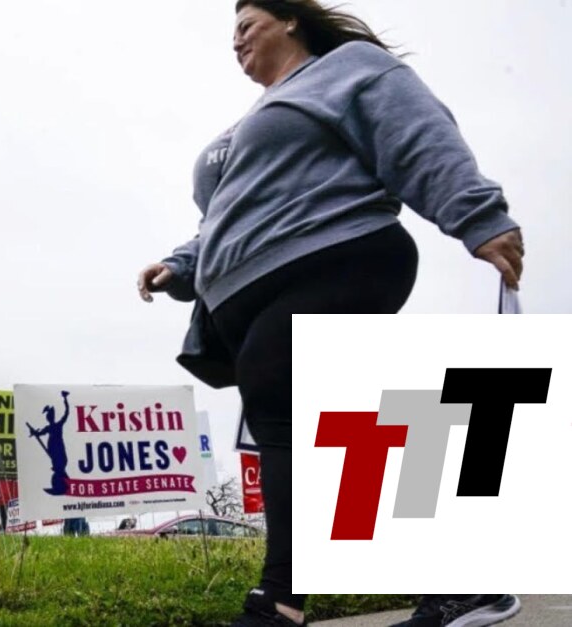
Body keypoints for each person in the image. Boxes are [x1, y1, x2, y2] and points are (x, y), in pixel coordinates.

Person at [137, 2, 525, 626]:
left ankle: (280, 602)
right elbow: (223, 218)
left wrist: (477, 216)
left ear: (291, 19)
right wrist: (180, 265)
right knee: (321, 431)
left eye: (246, 25)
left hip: (335, 256)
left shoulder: (345, 69)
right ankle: (454, 579)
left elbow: (415, 131)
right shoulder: (250, 121)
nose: (235, 41)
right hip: (251, 294)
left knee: (284, 396)